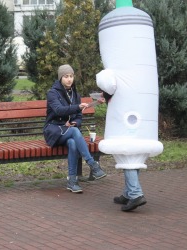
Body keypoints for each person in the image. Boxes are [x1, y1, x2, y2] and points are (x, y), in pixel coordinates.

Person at [43, 64, 107, 193]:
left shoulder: (75, 94)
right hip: (53, 130)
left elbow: (78, 117)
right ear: (61, 78)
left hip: (69, 131)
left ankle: (72, 181)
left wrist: (75, 123)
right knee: (74, 132)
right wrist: (77, 107)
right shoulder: (52, 93)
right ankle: (92, 164)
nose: (69, 79)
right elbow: (58, 110)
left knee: (72, 142)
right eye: (66, 76)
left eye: (71, 76)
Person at [102, 92, 147, 211]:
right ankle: (128, 193)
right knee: (133, 155)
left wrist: (105, 94)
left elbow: (109, 84)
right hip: (138, 113)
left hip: (124, 114)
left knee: (127, 157)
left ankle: (135, 193)